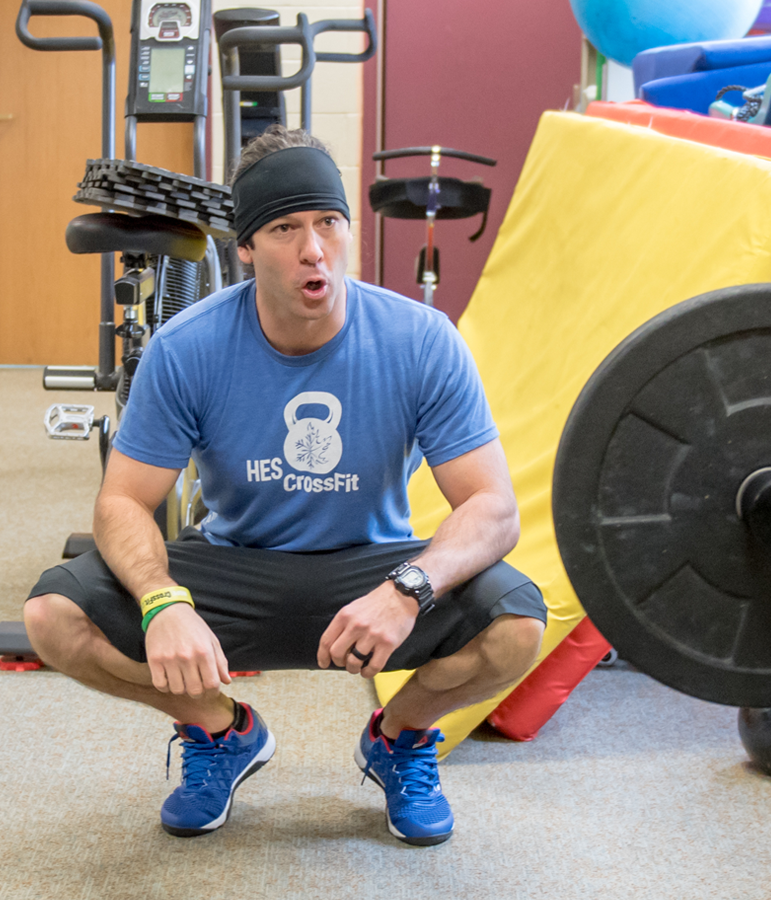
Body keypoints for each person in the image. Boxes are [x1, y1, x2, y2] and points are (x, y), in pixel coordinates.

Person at [23, 126, 547, 847]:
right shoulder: (189, 348)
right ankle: (221, 730)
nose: (314, 249)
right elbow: (122, 503)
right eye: (285, 228)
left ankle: (398, 737)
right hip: (237, 566)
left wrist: (408, 589)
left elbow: (492, 509)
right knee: (56, 618)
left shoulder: (420, 340)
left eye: (330, 223)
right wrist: (160, 601)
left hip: (374, 568)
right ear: (244, 247)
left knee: (518, 625)